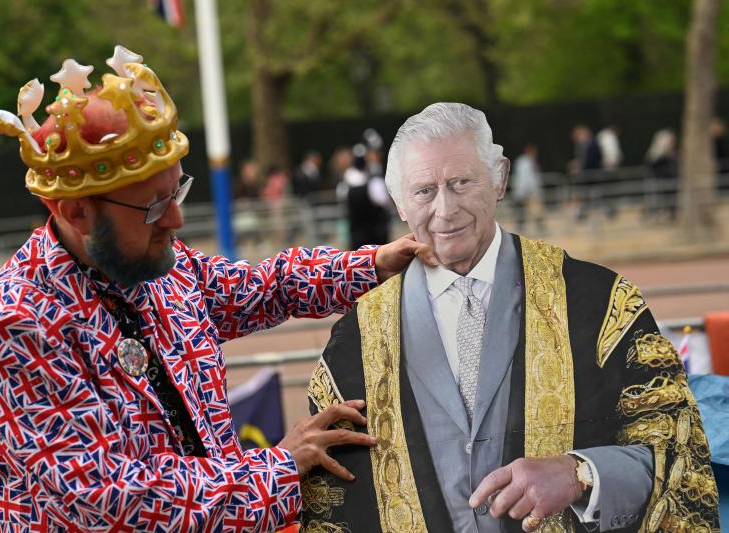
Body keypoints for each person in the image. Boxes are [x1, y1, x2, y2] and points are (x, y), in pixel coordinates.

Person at [0, 46, 434, 532]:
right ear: (75, 212)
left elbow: (262, 288)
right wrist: (281, 467)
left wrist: (374, 263)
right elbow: (112, 501)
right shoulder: (15, 321)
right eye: (152, 207)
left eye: (177, 192)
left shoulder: (156, 262)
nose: (176, 219)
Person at [300, 103, 719, 532]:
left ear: (499, 178)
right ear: (399, 203)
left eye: (461, 182)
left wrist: (582, 472)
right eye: (424, 190)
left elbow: (678, 454)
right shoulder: (355, 342)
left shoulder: (602, 306)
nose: (445, 210)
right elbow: (331, 507)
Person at [336, 143, 391, 249]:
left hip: (357, 237)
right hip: (376, 236)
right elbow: (384, 201)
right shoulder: (374, 183)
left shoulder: (344, 184)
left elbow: (343, 205)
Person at [644, 129, 678, 222]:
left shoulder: (669, 153)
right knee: (657, 200)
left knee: (670, 200)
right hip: (660, 181)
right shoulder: (658, 155)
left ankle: (670, 216)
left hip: (668, 181)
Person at [510, 143, 545, 233]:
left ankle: (537, 227)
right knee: (530, 210)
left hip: (524, 190)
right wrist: (529, 190)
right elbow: (526, 177)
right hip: (527, 191)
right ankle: (537, 227)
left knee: (530, 210)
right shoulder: (526, 162)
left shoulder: (523, 161)